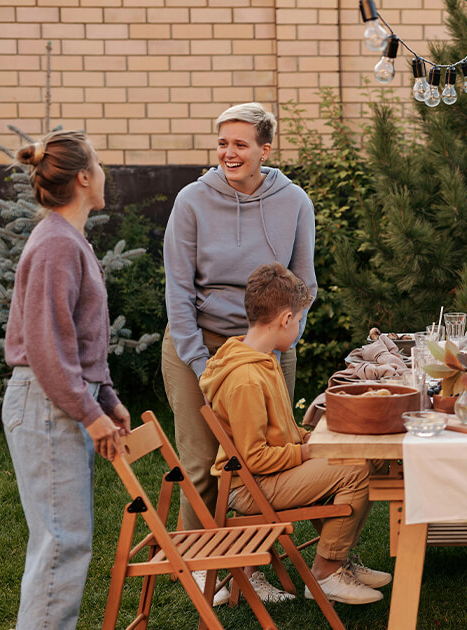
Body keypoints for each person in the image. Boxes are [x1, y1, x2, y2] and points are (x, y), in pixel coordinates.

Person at [162, 102, 318, 545]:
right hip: (199, 341)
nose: (229, 153)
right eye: (222, 144)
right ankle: (198, 559)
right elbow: (177, 289)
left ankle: (257, 563)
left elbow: (304, 283)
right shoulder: (192, 201)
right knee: (201, 461)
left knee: (268, 454)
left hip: (268, 345)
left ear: (264, 149)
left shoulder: (294, 202)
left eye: (240, 144)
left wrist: (286, 338)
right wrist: (198, 362)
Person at [199, 263, 390, 605]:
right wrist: (308, 453)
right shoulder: (245, 379)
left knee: (371, 454)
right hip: (247, 488)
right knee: (355, 469)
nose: (299, 327)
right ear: (285, 319)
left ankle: (340, 561)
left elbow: (280, 430)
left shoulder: (264, 359)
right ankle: (325, 572)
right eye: (300, 319)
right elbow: (253, 457)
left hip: (271, 473)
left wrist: (308, 437)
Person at [2, 130, 131, 630]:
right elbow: (48, 349)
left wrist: (106, 397)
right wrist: (90, 414)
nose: (104, 174)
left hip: (58, 398)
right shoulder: (56, 244)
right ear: (82, 177)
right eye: (98, 166)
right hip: (46, 402)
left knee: (62, 542)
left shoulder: (68, 239)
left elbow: (76, 340)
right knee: (61, 544)